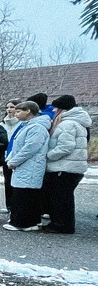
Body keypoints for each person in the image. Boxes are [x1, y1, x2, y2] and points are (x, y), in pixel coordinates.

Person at [42, 95, 92, 233]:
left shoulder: (67, 124)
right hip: (72, 167)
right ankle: (63, 224)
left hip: (64, 167)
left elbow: (65, 147)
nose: (53, 110)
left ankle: (62, 225)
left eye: (56, 107)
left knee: (61, 199)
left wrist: (48, 156)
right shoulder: (78, 122)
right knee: (64, 198)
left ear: (62, 109)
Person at [3, 100, 51, 231]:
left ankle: (22, 223)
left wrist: (14, 161)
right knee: (24, 193)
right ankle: (31, 221)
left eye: (18, 111)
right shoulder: (28, 126)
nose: (15, 113)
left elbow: (29, 148)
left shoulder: (37, 128)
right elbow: (17, 146)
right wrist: (10, 158)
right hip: (25, 166)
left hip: (30, 166)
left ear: (28, 111)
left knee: (25, 195)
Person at [0, 99, 22, 213]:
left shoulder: (22, 123)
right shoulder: (2, 123)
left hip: (17, 156)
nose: (9, 109)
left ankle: (16, 207)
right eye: (7, 107)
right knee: (7, 181)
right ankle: (9, 206)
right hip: (5, 156)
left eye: (12, 107)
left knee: (16, 183)